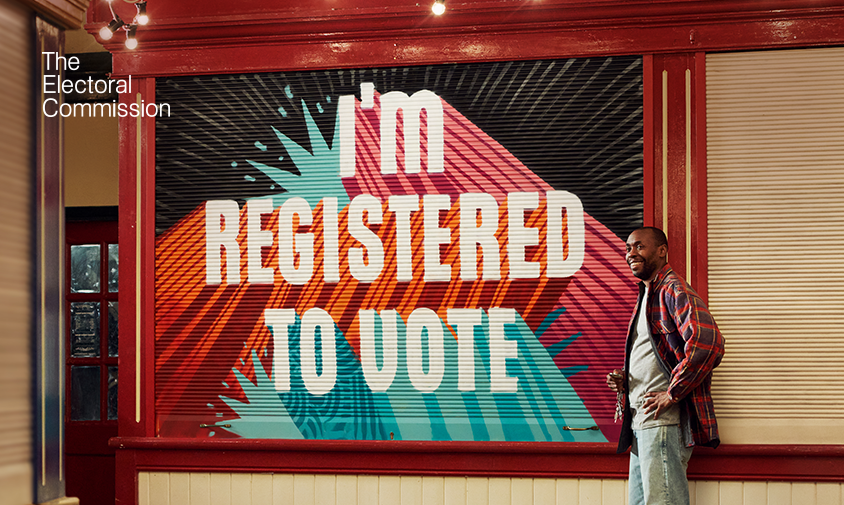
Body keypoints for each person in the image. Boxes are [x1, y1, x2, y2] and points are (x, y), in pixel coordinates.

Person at [606, 227, 724, 505]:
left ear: (662, 250)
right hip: (641, 421)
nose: (631, 253)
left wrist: (672, 393)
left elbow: (708, 342)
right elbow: (661, 354)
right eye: (628, 248)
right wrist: (628, 378)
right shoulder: (649, 293)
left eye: (639, 247)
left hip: (661, 422)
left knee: (663, 501)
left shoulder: (672, 288)